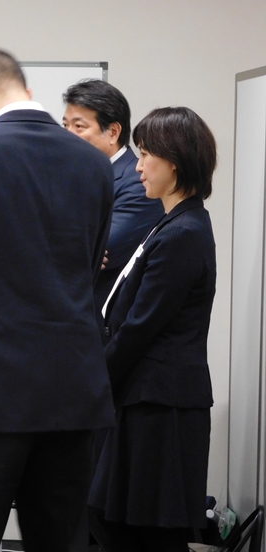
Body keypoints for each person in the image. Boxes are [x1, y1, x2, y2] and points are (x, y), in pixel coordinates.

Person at [0, 48, 116, 552]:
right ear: (27, 91)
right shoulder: (94, 164)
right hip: (73, 386)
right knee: (62, 540)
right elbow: (90, 264)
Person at [89, 107, 217, 552]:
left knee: (147, 531)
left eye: (146, 155)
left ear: (174, 161)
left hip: (161, 406)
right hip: (145, 399)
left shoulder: (184, 231)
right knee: (114, 520)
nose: (138, 166)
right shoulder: (171, 223)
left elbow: (140, 327)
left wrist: (92, 382)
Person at [63, 80, 163, 333]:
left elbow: (97, 250)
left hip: (104, 328)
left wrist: (61, 243)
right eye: (65, 126)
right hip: (70, 322)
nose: (66, 135)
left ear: (113, 132)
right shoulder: (69, 177)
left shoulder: (137, 182)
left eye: (78, 126)